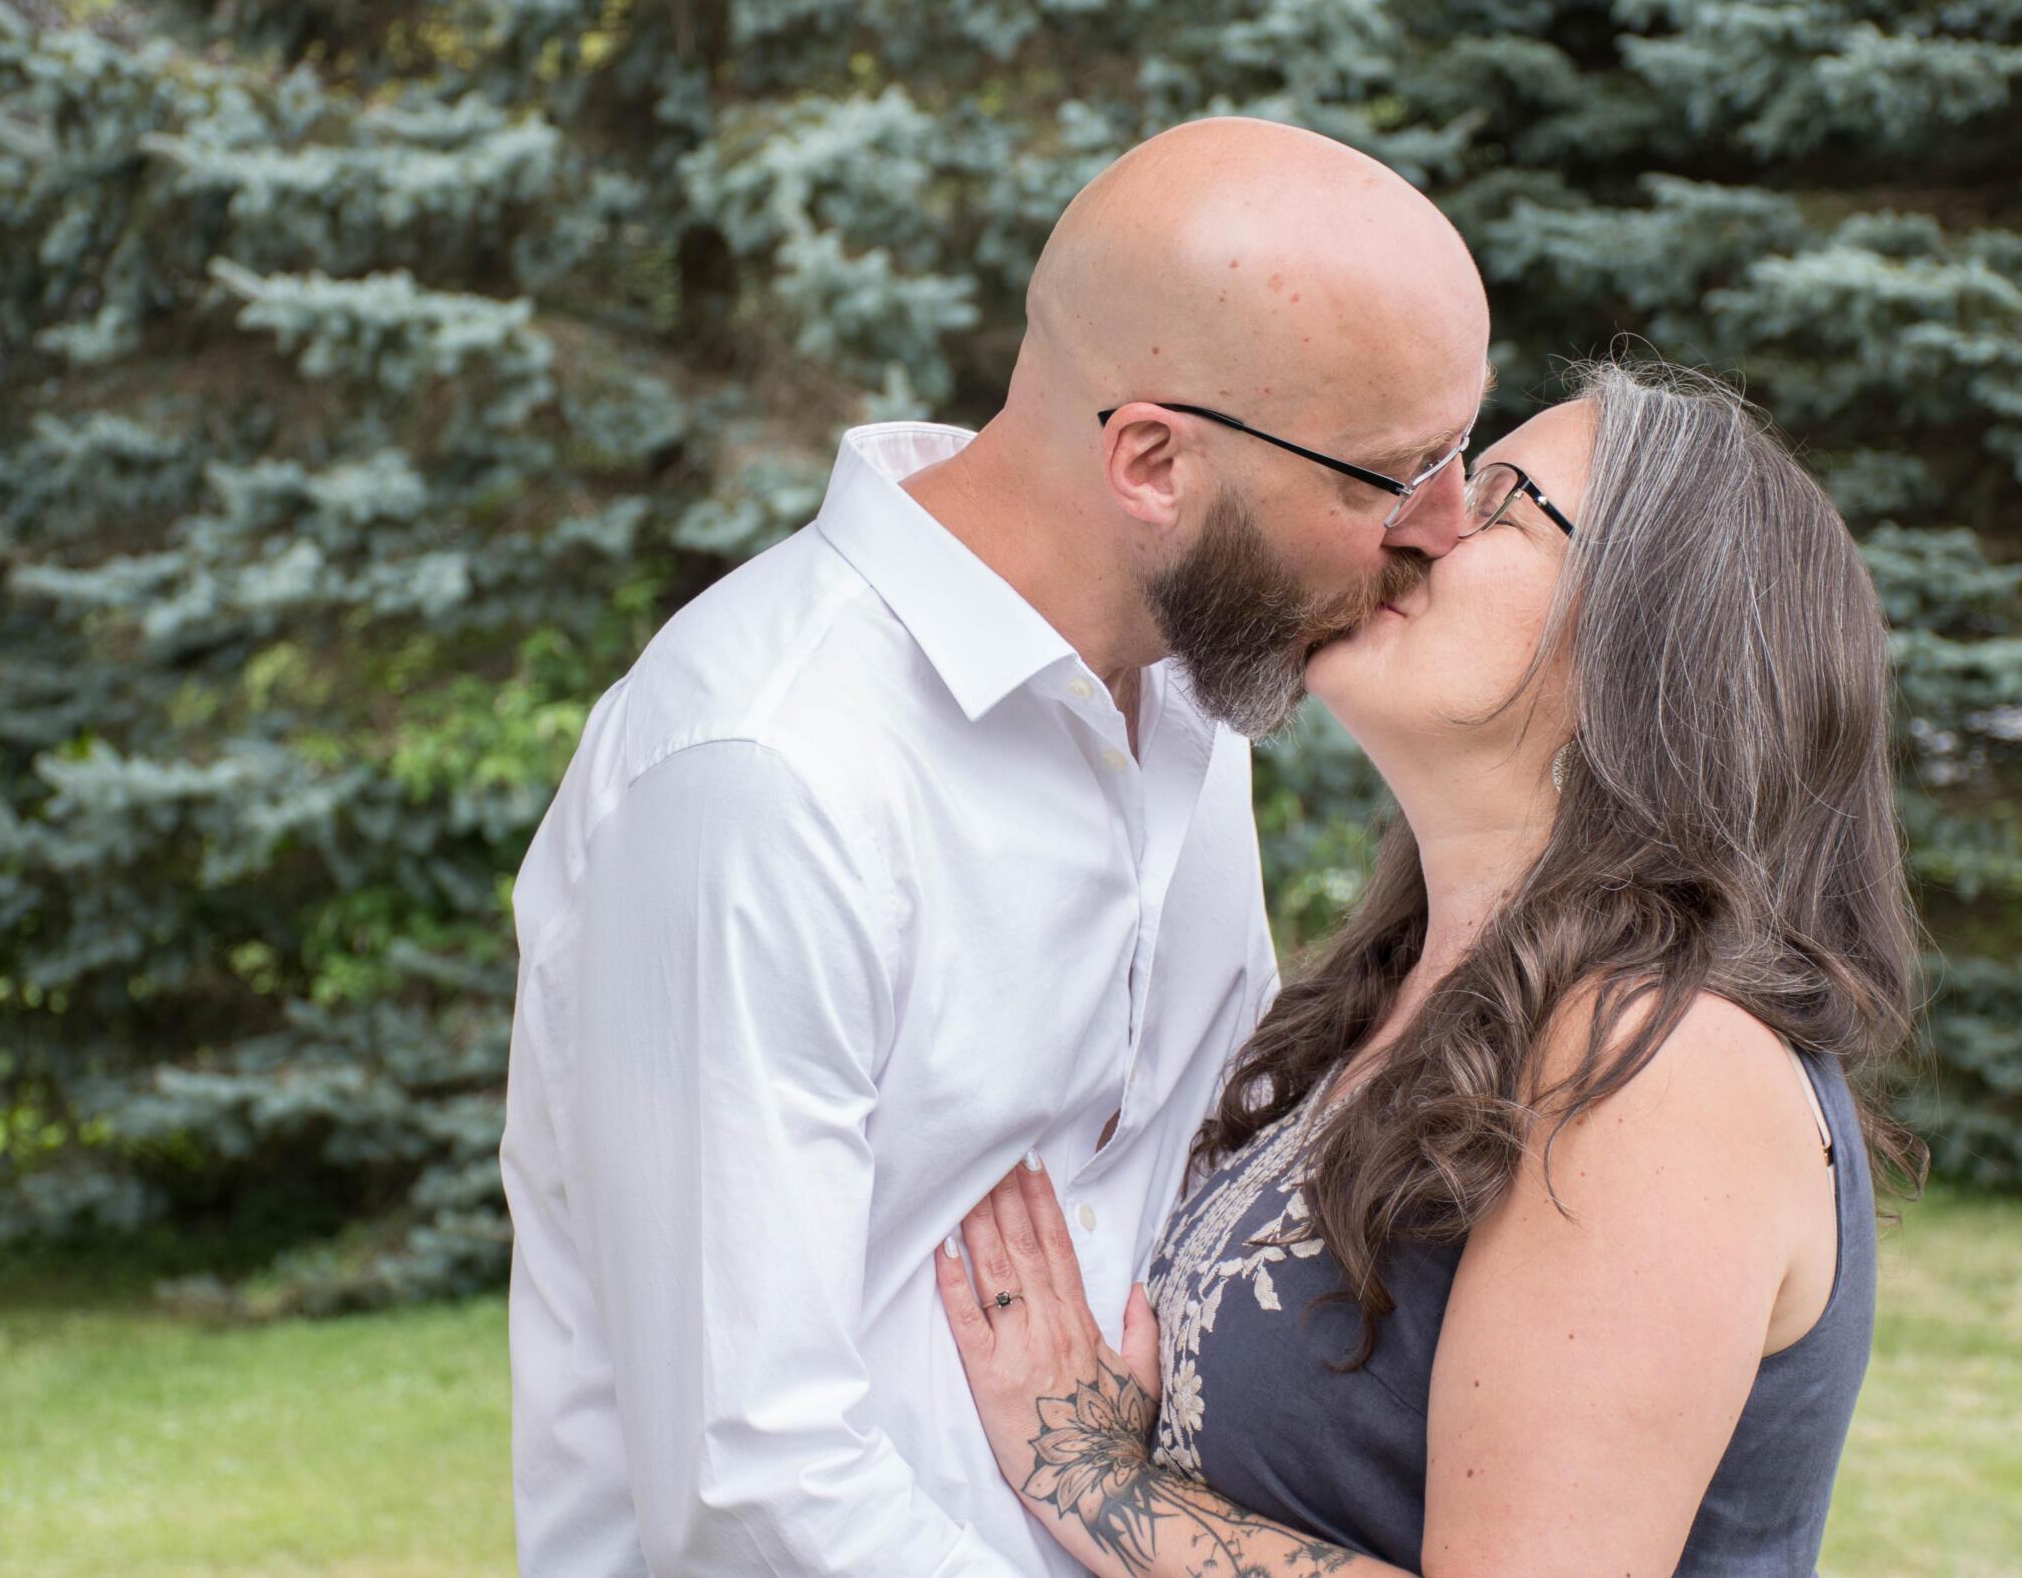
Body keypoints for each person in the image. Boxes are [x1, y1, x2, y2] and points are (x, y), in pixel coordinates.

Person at [498, 114, 1494, 1576]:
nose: (1452, 529)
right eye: (1393, 474)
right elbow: (750, 1487)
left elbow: (1196, 1196)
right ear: (1152, 461)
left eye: (1460, 450)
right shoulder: (768, 771)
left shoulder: (1184, 706)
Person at [934, 360, 1926, 1578]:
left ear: (1651, 636)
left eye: (1500, 498)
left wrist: (1093, 1479)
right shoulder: (1399, 1005)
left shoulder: (1660, 1064)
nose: (1416, 520)